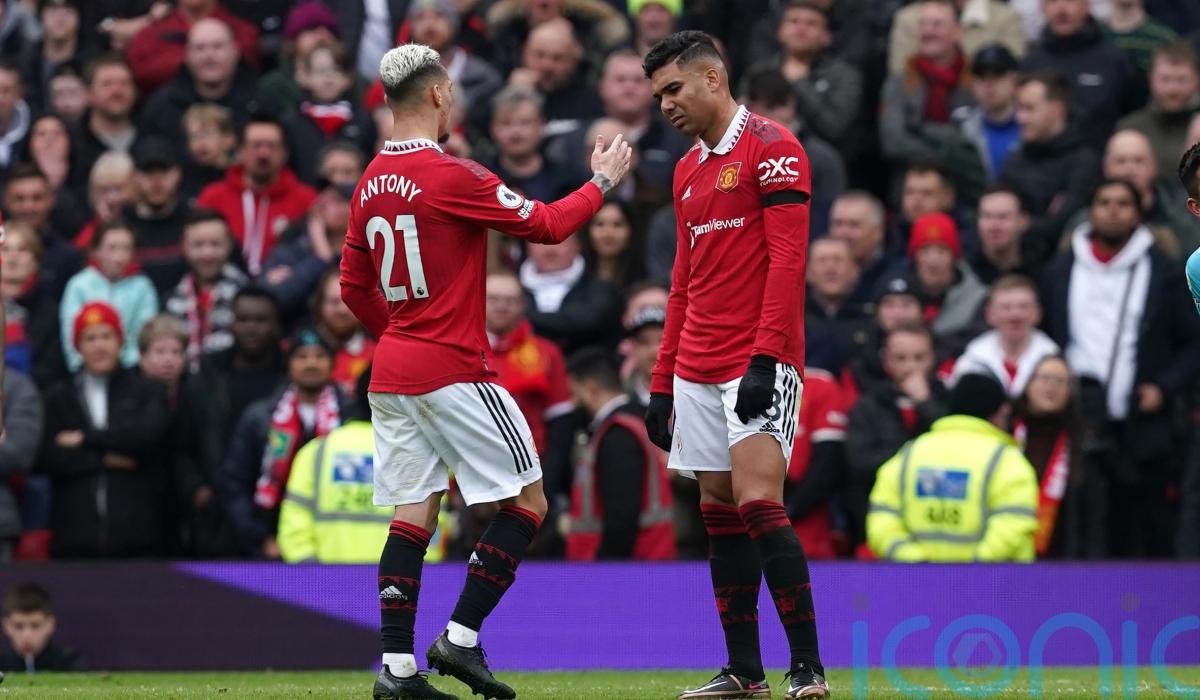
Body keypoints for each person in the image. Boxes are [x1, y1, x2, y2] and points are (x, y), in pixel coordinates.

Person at [337, 43, 630, 700]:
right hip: (452, 368)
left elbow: (353, 286)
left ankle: (397, 671)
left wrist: (402, 333)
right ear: (439, 94)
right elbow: (548, 226)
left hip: (393, 373)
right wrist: (602, 182)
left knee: (414, 514)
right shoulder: (453, 176)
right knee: (528, 502)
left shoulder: (368, 183)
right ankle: (460, 638)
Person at [641, 31, 828, 699]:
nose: (666, 105)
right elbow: (682, 284)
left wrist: (766, 358)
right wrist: (662, 381)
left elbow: (788, 263)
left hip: (756, 360)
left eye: (674, 89)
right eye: (658, 96)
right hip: (695, 364)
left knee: (757, 501)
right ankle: (745, 671)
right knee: (718, 509)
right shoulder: (685, 171)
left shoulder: (774, 149)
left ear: (713, 79)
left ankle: (806, 667)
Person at [1041, 178, 1200, 558]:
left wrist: (1164, 387)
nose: (1112, 211)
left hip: (1142, 424)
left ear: (1139, 213)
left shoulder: (1165, 271)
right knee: (1076, 527)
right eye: (1104, 202)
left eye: (1123, 203)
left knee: (1142, 528)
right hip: (1075, 420)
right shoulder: (1060, 270)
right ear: (1090, 211)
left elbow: (1193, 340)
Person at [38, 302, 172, 558]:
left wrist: (85, 438)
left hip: (139, 538)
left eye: (106, 336)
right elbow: (46, 457)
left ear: (120, 342)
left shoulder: (146, 390)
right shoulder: (58, 396)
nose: (99, 346)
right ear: (77, 346)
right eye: (90, 338)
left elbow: (145, 437)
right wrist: (103, 460)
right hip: (74, 539)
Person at [278, 366, 448, 564]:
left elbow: (294, 525)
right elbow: (434, 524)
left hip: (327, 581)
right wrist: (416, 574)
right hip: (398, 579)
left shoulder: (317, 451)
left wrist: (314, 575)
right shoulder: (424, 456)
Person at [867, 373, 1039, 561]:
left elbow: (882, 518)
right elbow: (1013, 524)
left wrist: (914, 562)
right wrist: (973, 569)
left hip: (914, 578)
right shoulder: (1007, 461)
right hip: (994, 579)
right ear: (1001, 412)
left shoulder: (909, 454)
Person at [219, 327, 348, 559]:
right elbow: (235, 482)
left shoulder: (351, 417)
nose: (311, 363)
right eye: (302, 356)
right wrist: (260, 538)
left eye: (319, 356)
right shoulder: (260, 417)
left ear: (331, 363)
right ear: (289, 364)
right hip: (268, 545)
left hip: (335, 547)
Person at [173, 285, 283, 557]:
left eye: (261, 320)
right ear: (231, 324)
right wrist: (195, 489)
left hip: (278, 514)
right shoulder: (206, 376)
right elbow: (179, 443)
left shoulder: (291, 378)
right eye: (243, 320)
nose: (251, 328)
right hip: (215, 512)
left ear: (276, 325)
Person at [845, 323, 949, 552]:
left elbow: (954, 448)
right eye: (901, 358)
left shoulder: (948, 401)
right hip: (879, 521)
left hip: (938, 521)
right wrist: (914, 458)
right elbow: (860, 463)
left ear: (933, 358)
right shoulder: (868, 406)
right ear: (887, 361)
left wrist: (926, 403)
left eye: (919, 358)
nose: (910, 367)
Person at [565, 347, 674, 561]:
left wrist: (605, 568)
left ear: (591, 389)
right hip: (644, 564)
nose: (573, 403)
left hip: (626, 569)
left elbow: (621, 517)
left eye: (574, 394)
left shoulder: (618, 434)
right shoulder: (634, 423)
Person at [196, 113, 318, 276]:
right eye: (256, 145)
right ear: (241, 150)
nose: (263, 153)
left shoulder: (306, 200)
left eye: (271, 146)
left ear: (285, 153)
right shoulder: (213, 198)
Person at [1012, 354, 1105, 558]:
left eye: (1060, 381)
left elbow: (1092, 520)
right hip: (1004, 558)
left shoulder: (1082, 444)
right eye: (1044, 378)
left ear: (1070, 393)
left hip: (1061, 561)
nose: (1051, 387)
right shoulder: (1006, 433)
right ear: (1028, 384)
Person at [58, 221, 159, 373]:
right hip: (85, 371)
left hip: (130, 372)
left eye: (126, 248)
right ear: (95, 251)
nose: (119, 257)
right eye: (112, 248)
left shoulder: (143, 287)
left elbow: (144, 335)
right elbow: (70, 336)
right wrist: (80, 368)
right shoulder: (79, 285)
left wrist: (128, 369)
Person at [949, 274, 1059, 397]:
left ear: (1037, 313)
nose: (1015, 315)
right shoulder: (972, 360)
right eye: (1006, 307)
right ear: (989, 314)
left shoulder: (1053, 358)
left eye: (1023, 307)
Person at [164, 209, 247, 369]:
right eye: (198, 244)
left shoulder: (246, 294)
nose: (207, 254)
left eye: (215, 244)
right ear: (184, 246)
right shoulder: (170, 297)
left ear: (229, 245)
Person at [1118, 41, 1200, 176]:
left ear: (1196, 81)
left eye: (1181, 80)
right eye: (1165, 79)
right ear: (1150, 79)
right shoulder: (1131, 127)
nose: (1172, 89)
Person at [0, 584, 79, 673]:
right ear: (6, 626)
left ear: (50, 624)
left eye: (35, 625)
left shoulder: (69, 662)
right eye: (18, 626)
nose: (27, 634)